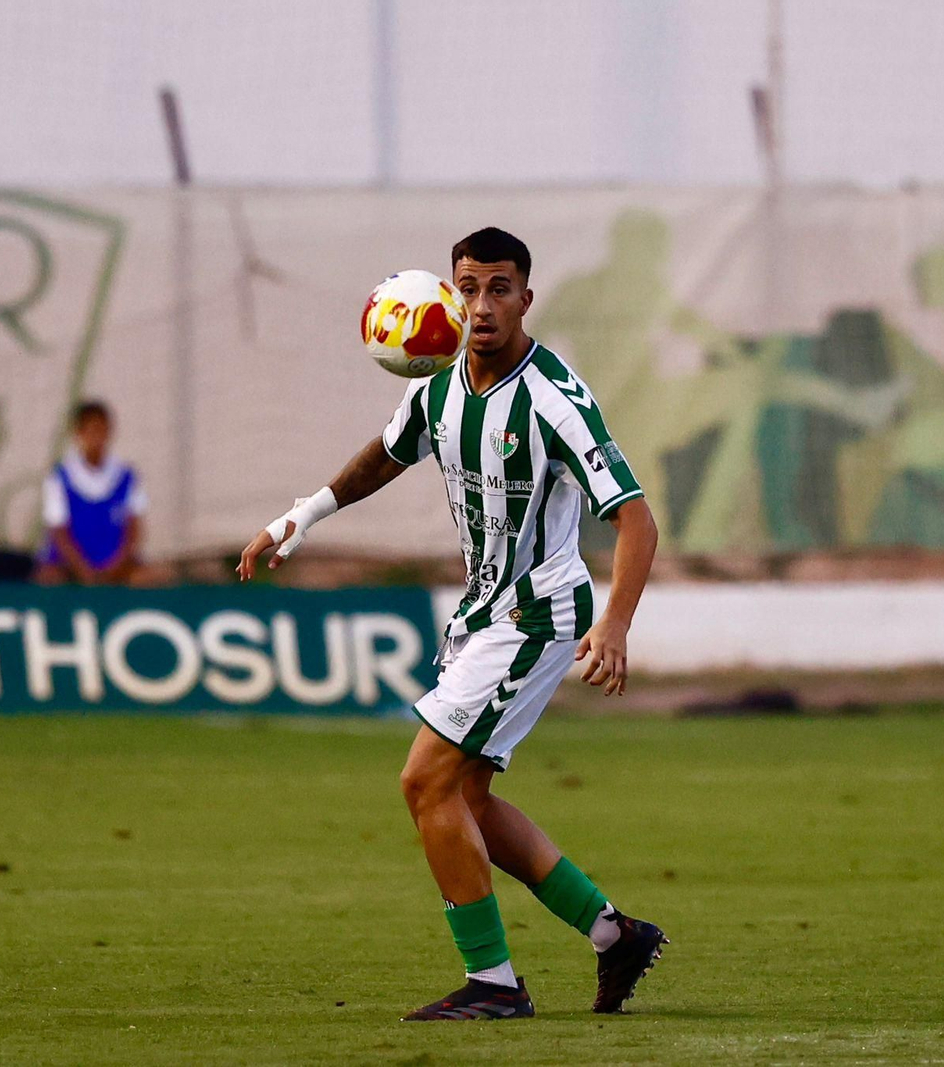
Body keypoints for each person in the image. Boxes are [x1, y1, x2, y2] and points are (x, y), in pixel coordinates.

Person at [239, 227, 667, 1021]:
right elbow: (385, 454)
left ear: (525, 299)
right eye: (467, 286)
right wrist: (301, 516)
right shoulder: (436, 382)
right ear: (449, 292)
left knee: (423, 779)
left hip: (538, 610)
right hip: (482, 613)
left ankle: (495, 984)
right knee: (465, 794)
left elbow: (635, 518)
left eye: (499, 288)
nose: (481, 305)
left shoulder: (555, 400)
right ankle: (616, 935)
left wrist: (614, 624)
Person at [35, 401, 164, 586]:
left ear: (109, 432)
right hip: (69, 567)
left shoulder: (126, 475)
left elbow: (134, 530)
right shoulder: (60, 477)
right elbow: (59, 533)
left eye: (101, 431)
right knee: (48, 578)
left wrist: (114, 568)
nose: (96, 438)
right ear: (78, 433)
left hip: (116, 568)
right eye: (90, 431)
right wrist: (83, 571)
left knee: (154, 577)